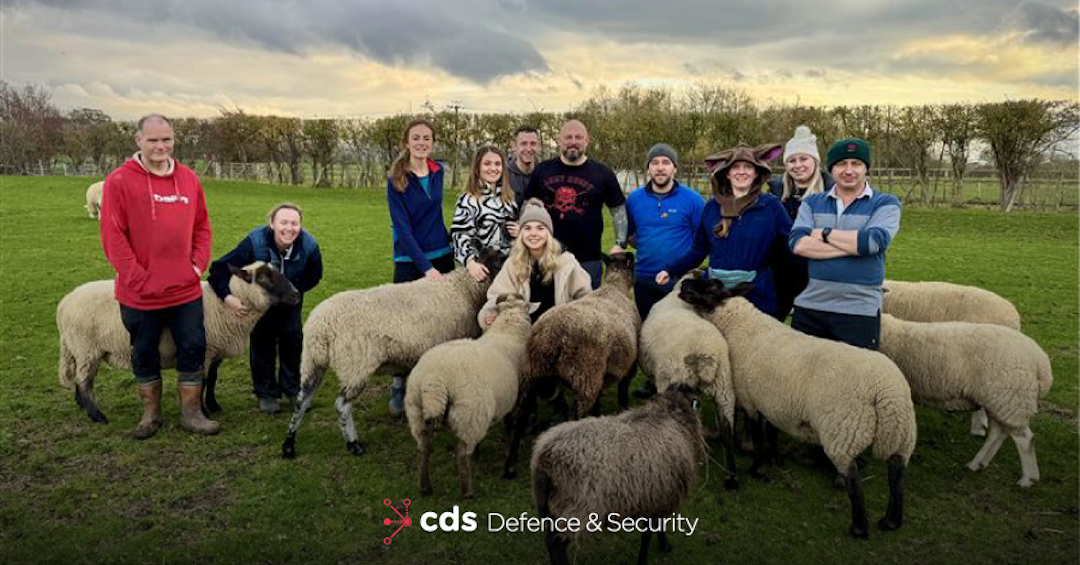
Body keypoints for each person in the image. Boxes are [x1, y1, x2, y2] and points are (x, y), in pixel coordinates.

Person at [99, 113, 218, 438]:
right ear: (138, 140)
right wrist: (139, 279)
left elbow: (202, 227)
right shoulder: (119, 181)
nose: (160, 146)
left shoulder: (189, 179)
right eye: (152, 140)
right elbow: (113, 237)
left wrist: (197, 266)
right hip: (140, 294)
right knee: (145, 350)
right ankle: (150, 414)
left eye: (166, 139)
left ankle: (192, 413)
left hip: (184, 291)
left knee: (194, 346)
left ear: (173, 140)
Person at [208, 203, 323, 414]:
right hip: (260, 305)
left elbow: (315, 275)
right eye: (284, 222)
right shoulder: (255, 242)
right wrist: (228, 298)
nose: (289, 228)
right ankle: (266, 393)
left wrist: (293, 290)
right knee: (262, 341)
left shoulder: (309, 246)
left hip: (289, 301)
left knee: (293, 339)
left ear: (300, 225)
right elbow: (219, 269)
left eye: (294, 223)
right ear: (272, 223)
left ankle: (293, 390)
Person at [789, 138, 900, 350]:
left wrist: (823, 233)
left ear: (866, 168)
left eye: (856, 163)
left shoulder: (886, 203)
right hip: (810, 307)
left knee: (855, 380)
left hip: (859, 310)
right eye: (841, 164)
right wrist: (853, 246)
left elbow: (872, 243)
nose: (849, 170)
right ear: (831, 169)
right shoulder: (812, 203)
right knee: (803, 380)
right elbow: (798, 244)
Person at [658, 143, 792, 318]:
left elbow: (792, 244)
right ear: (727, 173)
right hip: (715, 295)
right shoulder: (712, 208)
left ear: (756, 172)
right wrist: (670, 270)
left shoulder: (770, 206)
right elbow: (698, 250)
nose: (741, 172)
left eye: (748, 167)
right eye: (736, 167)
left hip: (755, 295)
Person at [625, 143, 705, 398]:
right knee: (649, 334)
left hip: (678, 281)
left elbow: (701, 239)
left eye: (665, 163)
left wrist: (680, 264)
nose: (660, 168)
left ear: (674, 168)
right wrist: (650, 246)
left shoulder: (692, 200)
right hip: (645, 276)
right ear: (648, 168)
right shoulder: (635, 199)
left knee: (677, 332)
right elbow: (628, 234)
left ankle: (682, 381)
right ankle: (652, 379)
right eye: (655, 163)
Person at [386, 117, 454, 417]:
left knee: (443, 321)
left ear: (432, 142)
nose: (422, 142)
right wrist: (426, 268)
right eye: (416, 138)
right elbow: (402, 229)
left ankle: (437, 382)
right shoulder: (396, 179)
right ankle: (399, 384)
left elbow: (436, 215)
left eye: (427, 138)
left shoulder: (439, 172)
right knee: (405, 325)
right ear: (407, 142)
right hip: (410, 260)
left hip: (443, 254)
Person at [524, 119, 628, 289]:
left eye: (578, 137)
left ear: (587, 141)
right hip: (547, 255)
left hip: (588, 259)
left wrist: (620, 243)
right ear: (559, 140)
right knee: (546, 310)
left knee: (585, 310)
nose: (573, 142)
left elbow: (618, 210)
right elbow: (528, 207)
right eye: (568, 137)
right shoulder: (542, 170)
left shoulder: (603, 173)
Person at [477, 199, 592, 329]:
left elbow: (586, 298)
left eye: (540, 228)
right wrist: (490, 314)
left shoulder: (567, 263)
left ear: (548, 233)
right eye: (527, 228)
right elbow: (496, 297)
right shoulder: (513, 263)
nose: (533, 234)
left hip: (560, 333)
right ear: (521, 233)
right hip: (523, 333)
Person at [767, 125, 835, 321]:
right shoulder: (777, 192)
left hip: (817, 273)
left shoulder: (832, 192)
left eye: (803, 159)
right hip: (781, 273)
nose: (798, 165)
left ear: (815, 161)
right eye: (791, 160)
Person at [450, 145, 519, 282]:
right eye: (487, 164)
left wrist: (519, 231)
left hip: (511, 269)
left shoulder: (508, 198)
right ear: (477, 168)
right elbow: (460, 235)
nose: (493, 168)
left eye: (497, 164)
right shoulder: (468, 199)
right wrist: (470, 262)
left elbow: (516, 226)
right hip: (484, 270)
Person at [506, 125, 541, 207]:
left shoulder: (545, 174)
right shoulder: (503, 175)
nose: (529, 149)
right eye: (523, 143)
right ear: (514, 146)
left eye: (533, 144)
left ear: (538, 146)